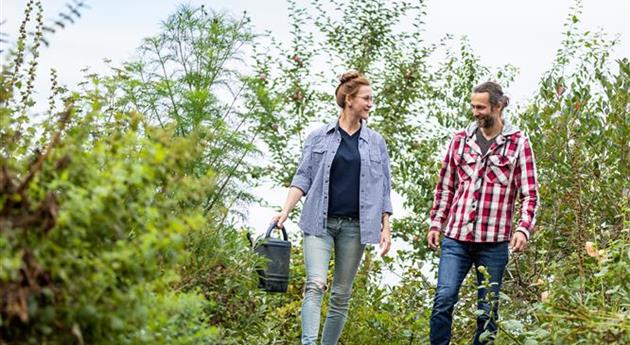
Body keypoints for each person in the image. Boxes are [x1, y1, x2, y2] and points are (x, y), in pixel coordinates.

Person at [271, 71, 393, 345]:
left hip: (356, 227)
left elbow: (384, 189)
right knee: (315, 285)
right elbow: (302, 177)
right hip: (319, 222)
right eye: (366, 98)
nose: (371, 104)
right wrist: (285, 211)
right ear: (349, 100)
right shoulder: (319, 137)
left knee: (341, 294)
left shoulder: (376, 142)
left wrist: (386, 227)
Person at [426, 81, 539, 344]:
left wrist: (523, 228)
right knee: (444, 299)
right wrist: (435, 223)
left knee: (488, 312)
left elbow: (530, 193)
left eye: (481, 107)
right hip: (456, 238)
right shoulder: (459, 141)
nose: (476, 112)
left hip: (494, 243)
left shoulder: (518, 143)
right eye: (473, 106)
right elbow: (445, 187)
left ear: (498, 106)